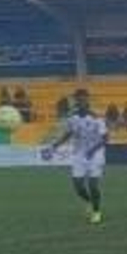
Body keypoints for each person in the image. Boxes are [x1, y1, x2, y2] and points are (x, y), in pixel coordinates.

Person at [46, 88, 108, 225]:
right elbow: (69, 133)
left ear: (87, 100)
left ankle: (96, 212)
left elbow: (105, 138)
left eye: (83, 99)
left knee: (93, 184)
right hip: (79, 153)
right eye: (77, 99)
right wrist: (55, 145)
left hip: (96, 153)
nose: (80, 101)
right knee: (78, 186)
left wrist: (93, 150)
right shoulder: (72, 117)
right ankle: (89, 201)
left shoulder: (97, 117)